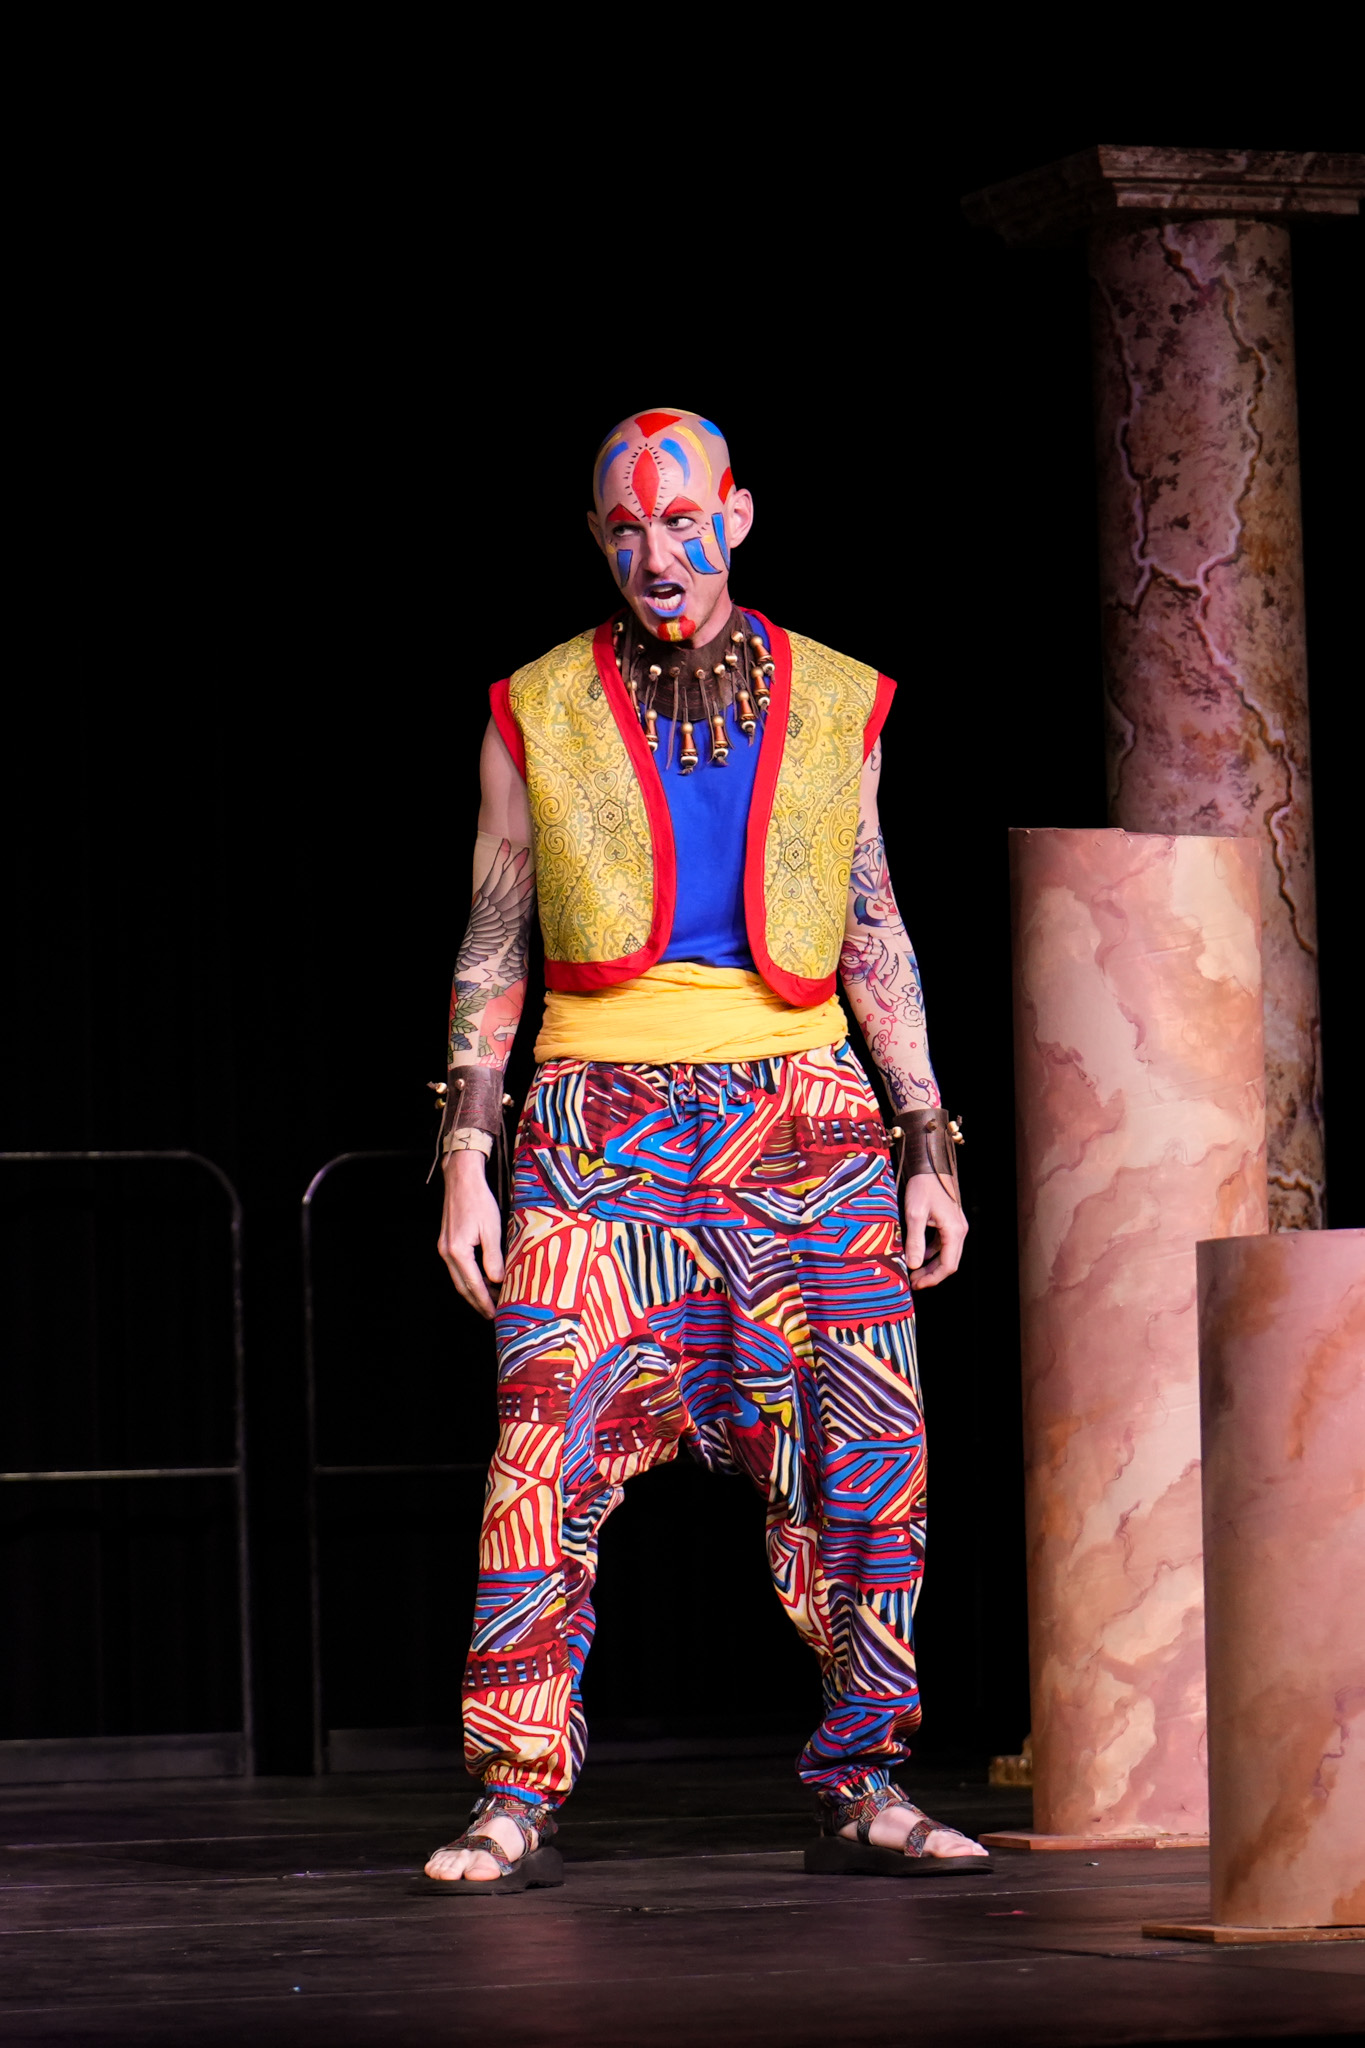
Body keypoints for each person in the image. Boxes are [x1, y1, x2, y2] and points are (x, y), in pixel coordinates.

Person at [424, 409, 987, 1892]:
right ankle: (514, 1790)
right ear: (597, 538)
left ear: (736, 517)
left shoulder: (838, 699)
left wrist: (927, 1141)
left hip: (810, 1120)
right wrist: (467, 1154)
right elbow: (494, 939)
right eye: (626, 529)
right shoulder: (536, 706)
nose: (656, 555)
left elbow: (872, 925)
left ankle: (866, 1781)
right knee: (539, 1453)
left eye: (682, 522)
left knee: (870, 1456)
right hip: (595, 1121)